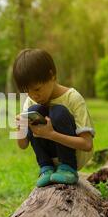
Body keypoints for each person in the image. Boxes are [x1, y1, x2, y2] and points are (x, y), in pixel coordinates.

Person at [13, 48, 95, 187]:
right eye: (28, 92)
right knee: (34, 110)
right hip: (50, 161)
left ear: (52, 76)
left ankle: (67, 167)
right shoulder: (30, 101)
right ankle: (45, 168)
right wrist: (20, 128)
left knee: (58, 111)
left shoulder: (72, 98)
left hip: (74, 157)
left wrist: (51, 135)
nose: (34, 96)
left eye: (37, 89)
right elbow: (23, 145)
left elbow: (87, 145)